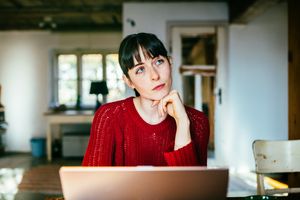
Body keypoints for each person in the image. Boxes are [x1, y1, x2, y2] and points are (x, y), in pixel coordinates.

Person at [82, 32, 209, 166]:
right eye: (140, 69)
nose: (154, 75)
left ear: (170, 63)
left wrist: (183, 123)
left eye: (159, 61)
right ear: (129, 81)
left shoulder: (198, 122)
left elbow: (191, 185)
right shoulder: (108, 116)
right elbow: (92, 183)